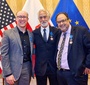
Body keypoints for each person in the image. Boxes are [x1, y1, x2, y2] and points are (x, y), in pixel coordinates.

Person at [56, 12, 90, 85]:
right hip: (60, 74)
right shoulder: (58, 34)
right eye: (59, 22)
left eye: (63, 20)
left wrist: (88, 65)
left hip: (76, 74)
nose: (61, 23)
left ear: (68, 20)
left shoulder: (81, 31)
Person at [1, 10, 34, 85]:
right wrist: (8, 73)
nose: (22, 19)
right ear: (16, 19)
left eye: (24, 17)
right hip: (12, 69)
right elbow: (4, 54)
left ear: (27, 19)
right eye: (20, 17)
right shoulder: (7, 33)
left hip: (27, 69)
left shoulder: (31, 34)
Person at [33, 9, 59, 85]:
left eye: (45, 17)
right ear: (38, 19)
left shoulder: (56, 31)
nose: (43, 19)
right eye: (41, 17)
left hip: (54, 67)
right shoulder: (34, 33)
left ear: (49, 18)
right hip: (40, 68)